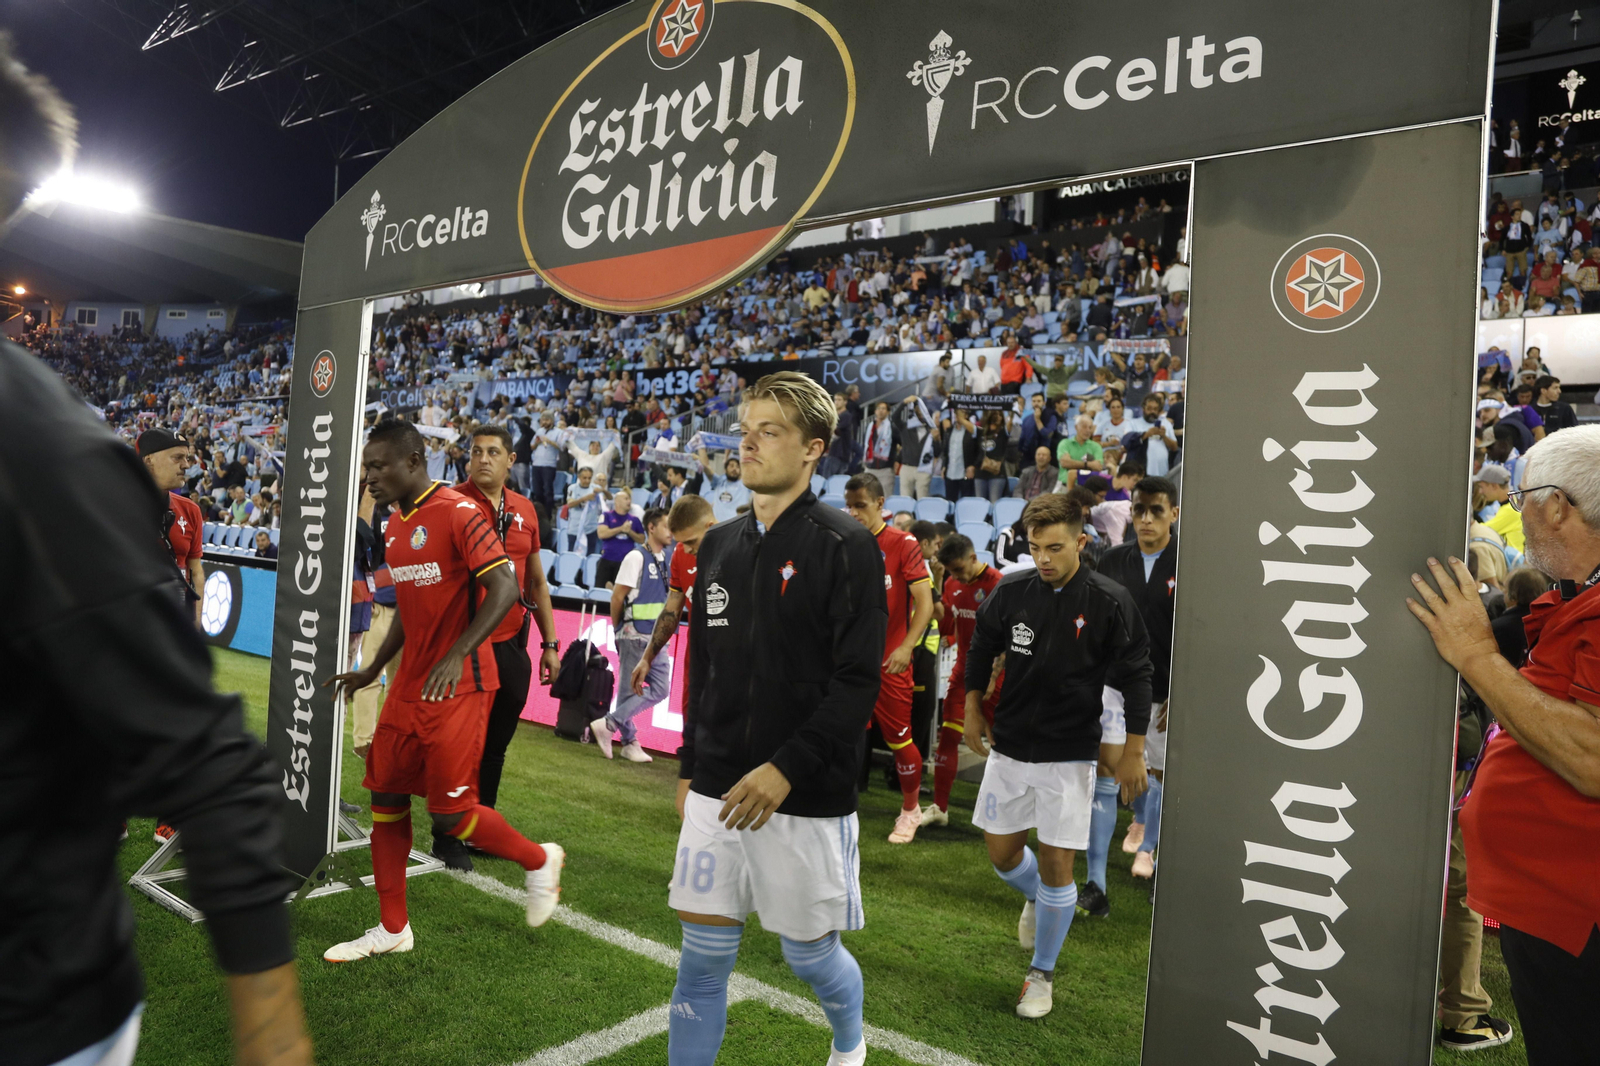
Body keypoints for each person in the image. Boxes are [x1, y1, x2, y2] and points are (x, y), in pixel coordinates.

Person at [0, 44, 313, 1062]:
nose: (184, 466)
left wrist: (270, 1029)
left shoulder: (38, 447)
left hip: (36, 1006)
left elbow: (207, 749)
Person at [669, 372, 886, 1066]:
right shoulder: (718, 545)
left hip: (805, 793)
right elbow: (702, 664)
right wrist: (690, 767)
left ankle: (850, 1046)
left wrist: (786, 768)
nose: (749, 443)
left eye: (771, 432)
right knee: (701, 961)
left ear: (813, 448)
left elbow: (858, 683)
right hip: (717, 789)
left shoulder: (846, 544)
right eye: (745, 429)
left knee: (810, 957)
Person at [323, 420, 563, 962]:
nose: (370, 478)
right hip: (412, 683)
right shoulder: (393, 525)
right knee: (385, 793)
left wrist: (457, 652)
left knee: (452, 814)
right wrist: (372, 669)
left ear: (412, 461)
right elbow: (409, 612)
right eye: (367, 469)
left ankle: (538, 859)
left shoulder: (460, 512)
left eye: (378, 467)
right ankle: (393, 929)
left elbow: (505, 587)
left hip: (462, 683)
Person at [1406, 426, 1600, 1064]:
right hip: (1551, 903)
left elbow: (1591, 757)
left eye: (1519, 503)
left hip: (1576, 911)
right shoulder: (1576, 593)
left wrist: (1476, 656)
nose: (1519, 518)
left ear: (1556, 505)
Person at [964, 493, 1151, 1019]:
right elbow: (982, 646)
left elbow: (1138, 674)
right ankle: (1039, 901)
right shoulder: (1012, 590)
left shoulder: (1110, 600)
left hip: (1070, 754)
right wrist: (973, 706)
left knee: (1056, 863)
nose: (1043, 558)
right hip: (1011, 747)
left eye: (1054, 548)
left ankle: (1041, 975)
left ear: (1080, 543)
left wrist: (1134, 749)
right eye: (1034, 547)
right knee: (1001, 854)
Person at [457, 425, 561, 816]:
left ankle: (481, 817)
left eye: (493, 452)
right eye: (476, 451)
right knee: (461, 741)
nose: (483, 459)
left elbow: (536, 581)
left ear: (510, 460)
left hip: (510, 645)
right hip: (464, 645)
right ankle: (452, 821)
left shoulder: (526, 509)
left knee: (496, 745)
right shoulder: (451, 502)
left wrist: (549, 645)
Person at [843, 474, 936, 843]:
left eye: (860, 506)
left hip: (890, 663)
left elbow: (926, 604)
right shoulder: (843, 540)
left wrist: (906, 647)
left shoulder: (903, 543)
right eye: (849, 506)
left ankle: (910, 811)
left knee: (901, 741)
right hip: (850, 661)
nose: (853, 513)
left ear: (880, 504)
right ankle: (837, 800)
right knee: (842, 734)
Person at [1098, 477, 1179, 883]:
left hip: (1165, 690)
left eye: (1156, 511)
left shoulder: (1190, 562)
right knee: (1113, 763)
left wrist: (1184, 690)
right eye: (1138, 510)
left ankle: (1148, 844)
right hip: (1115, 685)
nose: (1145, 519)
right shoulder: (1111, 561)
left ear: (1174, 515)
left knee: (1160, 768)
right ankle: (1135, 822)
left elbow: (1198, 631)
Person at [922, 533, 1003, 826]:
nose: (957, 575)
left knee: (1003, 743)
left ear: (973, 557)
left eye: (959, 569)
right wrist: (939, 580)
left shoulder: (998, 584)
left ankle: (1005, 811)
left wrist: (994, 676)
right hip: (962, 674)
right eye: (951, 571)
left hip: (999, 677)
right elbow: (945, 624)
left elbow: (1009, 637)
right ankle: (939, 808)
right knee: (948, 737)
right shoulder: (953, 583)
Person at [594, 506, 672, 764]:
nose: (670, 531)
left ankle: (610, 724)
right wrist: (618, 630)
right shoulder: (636, 557)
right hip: (634, 632)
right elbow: (617, 597)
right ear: (651, 528)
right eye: (666, 526)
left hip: (656, 637)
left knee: (660, 689)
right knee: (629, 690)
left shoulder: (668, 558)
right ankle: (629, 742)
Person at [628, 494, 717, 710]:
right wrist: (647, 658)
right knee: (691, 719)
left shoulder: (739, 553)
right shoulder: (679, 554)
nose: (685, 549)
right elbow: (672, 610)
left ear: (710, 526)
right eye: (680, 542)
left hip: (732, 660)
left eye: (690, 542)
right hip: (696, 656)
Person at [137, 428, 205, 626]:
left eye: (187, 458)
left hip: (174, 621)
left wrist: (196, 619)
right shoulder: (116, 505)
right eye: (177, 458)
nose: (186, 465)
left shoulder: (191, 510)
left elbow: (195, 571)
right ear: (149, 461)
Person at [596, 487, 645, 588]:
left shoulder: (634, 519)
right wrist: (621, 529)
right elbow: (601, 534)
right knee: (600, 590)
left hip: (625, 562)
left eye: (629, 499)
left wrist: (630, 532)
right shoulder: (607, 516)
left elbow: (642, 539)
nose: (629, 501)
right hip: (607, 559)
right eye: (626, 499)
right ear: (617, 502)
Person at [696, 450, 752, 523]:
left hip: (737, 528)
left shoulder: (746, 484)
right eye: (731, 466)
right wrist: (700, 449)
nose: (734, 469)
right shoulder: (719, 482)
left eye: (738, 467)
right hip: (718, 527)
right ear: (725, 469)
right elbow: (706, 467)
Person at [1056, 415, 1106, 489]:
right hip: (1065, 485)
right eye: (1084, 427)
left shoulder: (1096, 447)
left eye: (1090, 427)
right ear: (1076, 427)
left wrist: (1072, 464)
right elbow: (1065, 462)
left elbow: (1097, 467)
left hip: (1087, 487)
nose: (1088, 430)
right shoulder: (1065, 443)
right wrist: (1088, 465)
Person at [861, 401, 897, 501]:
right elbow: (866, 445)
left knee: (885, 498)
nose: (880, 411)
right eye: (878, 408)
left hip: (885, 469)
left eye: (883, 409)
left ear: (888, 412)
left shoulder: (892, 428)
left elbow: (902, 444)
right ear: (875, 411)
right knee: (868, 497)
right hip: (870, 468)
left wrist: (896, 459)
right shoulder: (869, 427)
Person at [566, 465, 605, 555]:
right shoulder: (572, 488)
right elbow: (570, 504)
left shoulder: (595, 488)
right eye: (584, 478)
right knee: (573, 557)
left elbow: (608, 498)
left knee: (590, 557)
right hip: (575, 529)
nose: (587, 481)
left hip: (591, 529)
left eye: (589, 478)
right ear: (579, 477)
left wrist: (603, 491)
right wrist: (584, 498)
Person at [528, 412, 563, 512]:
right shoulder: (539, 431)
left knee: (547, 490)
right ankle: (538, 513)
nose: (544, 422)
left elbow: (561, 447)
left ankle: (548, 514)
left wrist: (549, 441)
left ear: (552, 421)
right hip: (536, 464)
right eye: (543, 420)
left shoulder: (558, 432)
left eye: (546, 420)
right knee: (537, 491)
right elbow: (532, 446)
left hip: (549, 465)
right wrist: (537, 443)